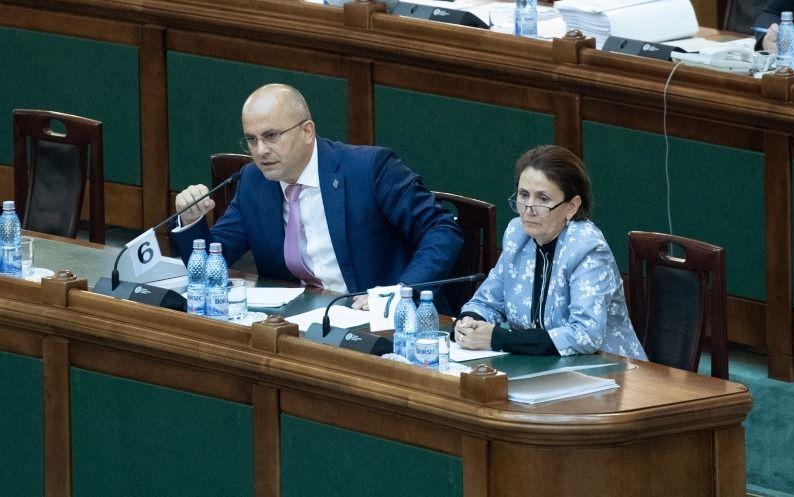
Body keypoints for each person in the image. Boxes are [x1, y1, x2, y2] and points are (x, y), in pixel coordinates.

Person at [172, 84, 463, 308]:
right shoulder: (254, 181)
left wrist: (402, 292)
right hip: (296, 324)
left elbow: (442, 230)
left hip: (376, 322)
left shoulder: (368, 169)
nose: (260, 151)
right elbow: (211, 264)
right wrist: (190, 221)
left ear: (307, 131)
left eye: (271, 136)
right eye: (251, 139)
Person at [453, 145, 646, 360]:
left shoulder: (587, 248)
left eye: (543, 199)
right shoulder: (517, 235)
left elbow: (585, 334)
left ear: (572, 206)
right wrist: (469, 322)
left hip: (608, 369)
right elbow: (486, 302)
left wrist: (498, 339)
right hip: (540, 366)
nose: (529, 208)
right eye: (524, 195)